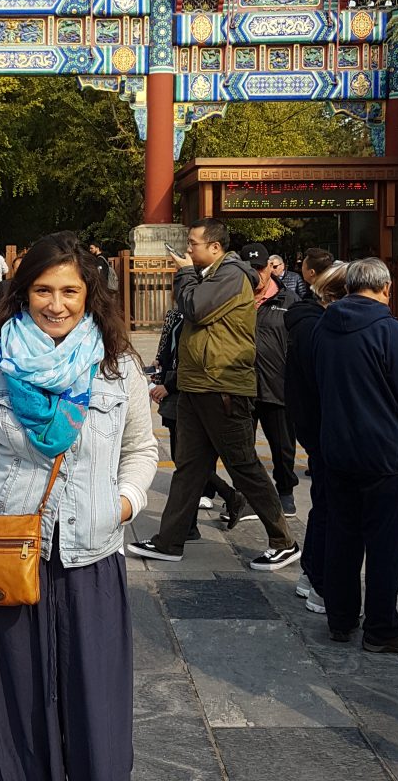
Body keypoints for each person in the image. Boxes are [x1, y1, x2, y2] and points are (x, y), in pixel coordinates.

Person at [0, 232, 157, 781]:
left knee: (98, 705)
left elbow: (141, 448)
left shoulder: (116, 364)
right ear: (22, 292)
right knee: (23, 704)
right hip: (11, 553)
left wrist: (123, 503)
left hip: (93, 556)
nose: (55, 305)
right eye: (42, 290)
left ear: (89, 296)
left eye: (69, 291)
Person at [128, 218, 299, 570]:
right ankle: (169, 541)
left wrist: (186, 272)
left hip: (222, 386)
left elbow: (194, 308)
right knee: (189, 468)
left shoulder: (231, 275)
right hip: (197, 386)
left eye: (194, 243)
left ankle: (285, 540)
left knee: (243, 466)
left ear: (215, 247)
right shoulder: (214, 275)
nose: (189, 249)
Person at [311, 258, 398, 653]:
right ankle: (382, 627)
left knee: (342, 536)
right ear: (386, 288)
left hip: (337, 448)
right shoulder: (388, 329)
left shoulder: (323, 326)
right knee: (386, 543)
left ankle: (341, 619)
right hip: (382, 451)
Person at [284, 262, 348, 614]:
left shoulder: (306, 322)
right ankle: (320, 581)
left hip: (316, 427)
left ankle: (311, 574)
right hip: (327, 430)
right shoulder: (319, 328)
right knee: (331, 508)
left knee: (325, 503)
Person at [150, 308, 238, 539]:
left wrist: (169, 385)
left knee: (187, 463)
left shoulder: (204, 315)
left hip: (188, 392)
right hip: (173, 390)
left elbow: (197, 360)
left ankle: (228, 498)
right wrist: (159, 374)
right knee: (184, 461)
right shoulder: (175, 314)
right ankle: (195, 521)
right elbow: (166, 348)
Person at [245, 242, 300, 515]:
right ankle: (250, 495)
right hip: (240, 386)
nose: (256, 274)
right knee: (242, 448)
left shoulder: (289, 301)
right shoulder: (232, 298)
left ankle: (285, 489)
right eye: (249, 268)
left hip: (277, 386)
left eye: (260, 268)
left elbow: (299, 345)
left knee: (282, 446)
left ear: (270, 268)